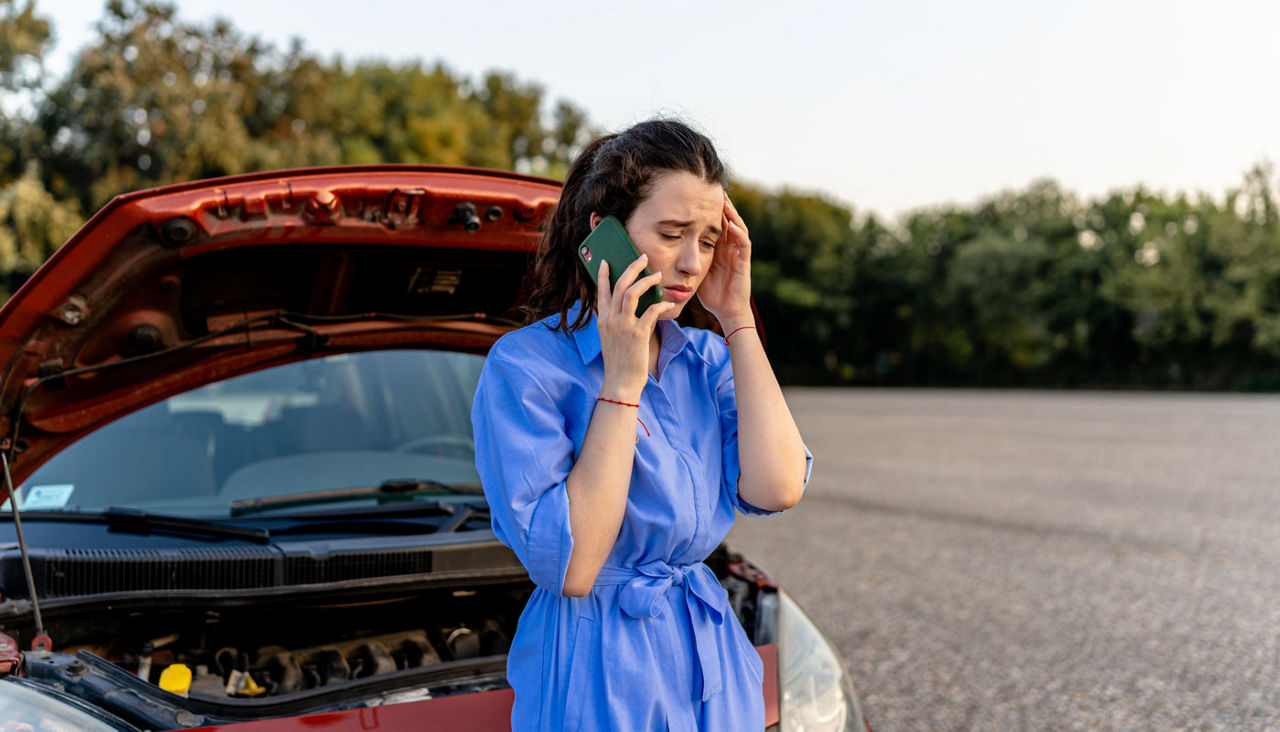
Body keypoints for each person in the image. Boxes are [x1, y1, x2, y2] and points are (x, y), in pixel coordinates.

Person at [471, 119, 811, 730]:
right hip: (595, 667)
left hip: (709, 657)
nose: (691, 263)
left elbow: (778, 487)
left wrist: (736, 318)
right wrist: (623, 382)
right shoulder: (525, 368)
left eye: (708, 241)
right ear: (605, 238)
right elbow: (573, 568)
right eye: (672, 233)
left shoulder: (707, 363)